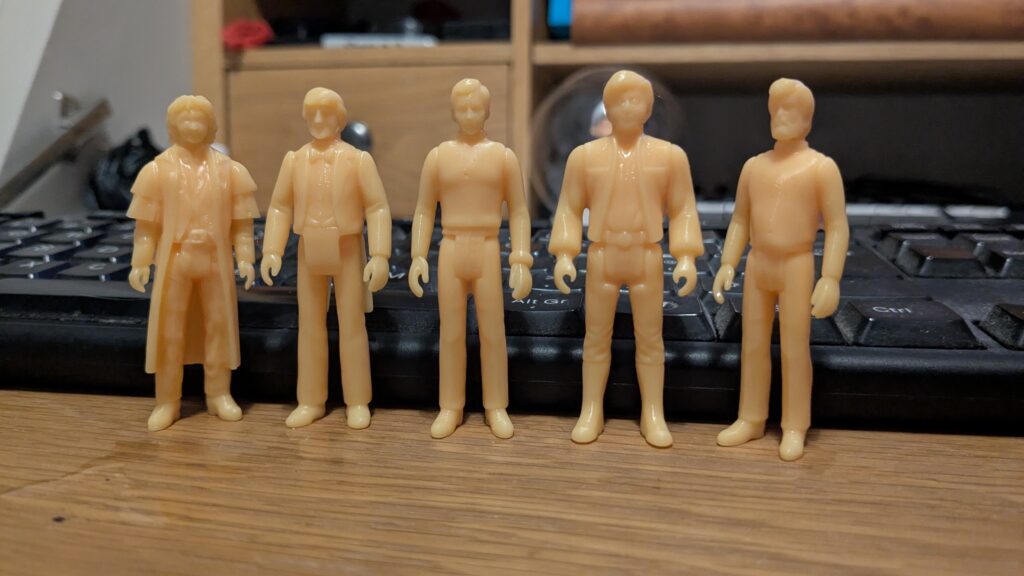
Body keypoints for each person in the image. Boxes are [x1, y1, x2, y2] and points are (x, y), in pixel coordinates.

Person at [548, 70, 704, 448]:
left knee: (650, 339)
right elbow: (569, 208)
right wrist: (565, 253)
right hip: (602, 253)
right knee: (595, 338)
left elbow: (683, 209)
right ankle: (591, 410)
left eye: (636, 100)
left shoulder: (670, 157)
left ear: (649, 108)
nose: (628, 107)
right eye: (619, 100)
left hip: (646, 254)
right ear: (607, 107)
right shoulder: (584, 157)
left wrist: (685, 255)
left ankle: (653, 413)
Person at [713, 78, 848, 461]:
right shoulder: (754, 167)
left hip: (796, 264)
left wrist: (830, 278)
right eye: (777, 109)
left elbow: (837, 226)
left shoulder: (821, 168)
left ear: (808, 119)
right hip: (759, 263)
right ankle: (751, 418)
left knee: (793, 348)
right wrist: (728, 262)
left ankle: (794, 425)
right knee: (753, 345)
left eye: (792, 110)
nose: (782, 116)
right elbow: (740, 220)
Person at [261, 87, 392, 430]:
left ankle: (357, 401)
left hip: (346, 248)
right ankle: (310, 400)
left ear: (340, 118)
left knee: (352, 325)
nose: (319, 120)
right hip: (309, 249)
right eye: (313, 114)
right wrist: (272, 249)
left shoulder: (358, 160)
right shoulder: (294, 160)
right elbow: (279, 206)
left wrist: (379, 254)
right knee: (309, 327)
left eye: (326, 113)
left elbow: (377, 207)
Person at [409, 79, 532, 439]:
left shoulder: (503, 157)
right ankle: (451, 405)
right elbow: (423, 210)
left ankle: (496, 406)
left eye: (476, 108)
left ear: (487, 111)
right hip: (450, 246)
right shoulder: (438, 156)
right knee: (451, 333)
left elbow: (519, 211)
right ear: (453, 112)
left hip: (487, 247)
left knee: (493, 332)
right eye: (462, 108)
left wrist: (521, 258)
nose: (469, 115)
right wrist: (418, 255)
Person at [128, 95, 259, 431]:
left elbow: (242, 225)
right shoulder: (157, 170)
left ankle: (218, 393)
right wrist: (140, 262)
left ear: (210, 125)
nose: (191, 126)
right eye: (184, 120)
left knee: (219, 327)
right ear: (173, 126)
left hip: (214, 258)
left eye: (198, 119)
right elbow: (147, 227)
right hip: (176, 258)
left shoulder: (230, 171)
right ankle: (167, 400)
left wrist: (246, 259)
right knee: (170, 332)